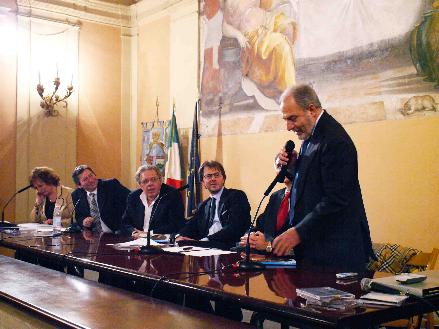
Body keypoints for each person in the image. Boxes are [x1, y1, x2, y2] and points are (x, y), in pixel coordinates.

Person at [273, 84, 375, 271]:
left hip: (336, 253)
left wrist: (297, 233)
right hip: (316, 251)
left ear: (311, 109)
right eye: (286, 120)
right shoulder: (311, 136)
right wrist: (294, 166)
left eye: (292, 118)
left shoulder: (335, 140)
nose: (288, 127)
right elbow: (313, 184)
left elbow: (336, 199)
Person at [177, 160, 251, 248]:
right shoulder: (204, 205)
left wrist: (206, 240)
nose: (213, 179)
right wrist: (179, 236)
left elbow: (234, 228)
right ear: (203, 182)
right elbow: (191, 226)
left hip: (229, 247)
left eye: (216, 175)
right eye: (208, 176)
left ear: (223, 179)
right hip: (204, 248)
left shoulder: (236, 196)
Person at [122, 165, 185, 238]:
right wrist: (134, 232)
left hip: (161, 241)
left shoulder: (172, 195)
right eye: (145, 181)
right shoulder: (133, 197)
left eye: (154, 179)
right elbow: (125, 223)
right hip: (136, 241)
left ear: (160, 180)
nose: (150, 184)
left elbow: (176, 224)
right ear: (140, 185)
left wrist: (148, 234)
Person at [239, 174, 292, 253]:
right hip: (268, 258)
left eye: (286, 163)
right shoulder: (275, 196)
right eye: (277, 165)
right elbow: (260, 224)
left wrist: (269, 245)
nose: (281, 166)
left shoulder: (307, 196)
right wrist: (250, 236)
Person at [71, 165, 130, 233]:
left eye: (91, 175)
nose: (90, 180)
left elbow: (132, 199)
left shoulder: (111, 185)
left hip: (116, 233)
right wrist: (83, 221)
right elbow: (79, 216)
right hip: (93, 236)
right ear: (79, 185)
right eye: (85, 179)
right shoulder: (76, 195)